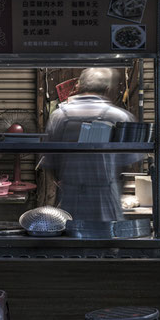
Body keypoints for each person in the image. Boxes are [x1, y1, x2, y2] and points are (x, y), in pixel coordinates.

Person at [44, 67, 138, 222]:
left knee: (72, 241)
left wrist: (69, 184)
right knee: (106, 241)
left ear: (79, 86)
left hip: (71, 200)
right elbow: (127, 165)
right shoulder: (120, 117)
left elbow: (51, 163)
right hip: (106, 201)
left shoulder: (59, 116)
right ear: (107, 89)